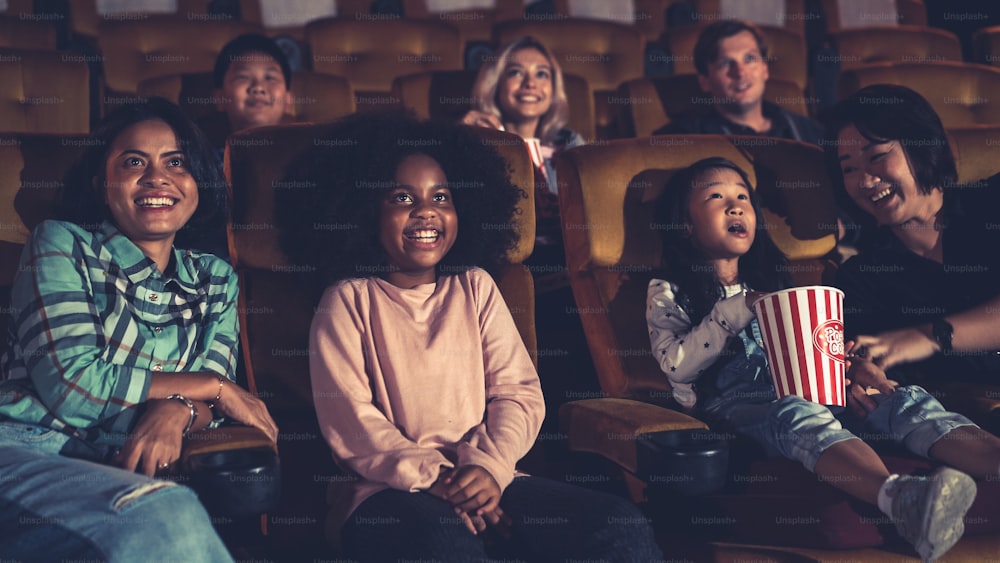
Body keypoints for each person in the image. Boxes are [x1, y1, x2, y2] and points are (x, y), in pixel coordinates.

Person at [286, 113, 662, 562]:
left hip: (491, 477)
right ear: (364, 210)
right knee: (445, 545)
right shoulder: (346, 300)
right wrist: (444, 480)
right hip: (385, 492)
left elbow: (518, 395)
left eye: (441, 197)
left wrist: (485, 470)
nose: (426, 210)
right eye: (402, 197)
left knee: (618, 524)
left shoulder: (476, 287)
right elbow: (352, 425)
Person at [646, 156, 1000, 561]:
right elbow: (675, 365)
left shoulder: (775, 284)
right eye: (716, 196)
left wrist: (852, 370)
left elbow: (810, 350)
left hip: (810, 388)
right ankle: (902, 499)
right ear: (685, 225)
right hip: (738, 405)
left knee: (898, 397)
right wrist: (734, 310)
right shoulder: (668, 289)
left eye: (743, 196)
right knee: (796, 412)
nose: (736, 205)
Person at [0, 98, 279, 562]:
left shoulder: (215, 279)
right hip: (29, 450)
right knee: (168, 516)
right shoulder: (60, 243)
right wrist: (209, 387)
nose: (157, 178)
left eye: (177, 163)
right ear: (101, 183)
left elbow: (210, 403)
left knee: (166, 514)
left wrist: (178, 410)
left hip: (125, 471)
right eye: (134, 162)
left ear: (198, 184)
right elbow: (74, 385)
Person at [827, 84, 1000, 394]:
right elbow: (878, 374)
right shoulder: (861, 278)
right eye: (849, 168)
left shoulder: (991, 201)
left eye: (877, 156)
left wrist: (931, 335)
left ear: (921, 146)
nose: (865, 181)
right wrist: (864, 383)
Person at [461, 36, 584, 252]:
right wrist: (460, 141)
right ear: (495, 84)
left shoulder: (569, 143)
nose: (530, 84)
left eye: (542, 74)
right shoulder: (476, 142)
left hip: (567, 260)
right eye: (516, 72)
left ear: (554, 90)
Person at [652, 20, 822, 146]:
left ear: (765, 69)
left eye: (749, 59)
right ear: (705, 81)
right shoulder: (681, 140)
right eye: (725, 63)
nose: (740, 73)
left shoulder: (807, 130)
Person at [202, 33, 294, 152]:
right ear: (220, 98)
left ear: (288, 100)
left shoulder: (309, 159)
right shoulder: (208, 163)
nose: (258, 87)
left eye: (270, 78)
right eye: (243, 77)